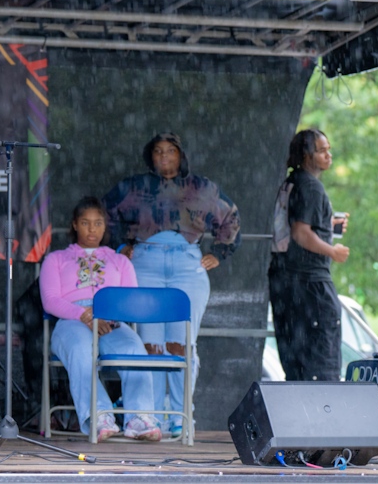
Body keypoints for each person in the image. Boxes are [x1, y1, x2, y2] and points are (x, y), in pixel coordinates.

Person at [102, 132, 240, 439]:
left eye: (170, 151)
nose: (164, 157)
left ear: (181, 155)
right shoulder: (134, 187)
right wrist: (120, 246)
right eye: (158, 152)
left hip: (187, 265)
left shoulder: (201, 187)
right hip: (146, 262)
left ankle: (180, 415)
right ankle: (149, 418)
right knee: (149, 345)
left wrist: (219, 253)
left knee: (182, 344)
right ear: (150, 157)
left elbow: (230, 217)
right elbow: (104, 213)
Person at [40, 196, 161, 441]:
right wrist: (85, 315)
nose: (92, 229)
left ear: (105, 226)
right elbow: (51, 300)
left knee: (134, 349)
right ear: (74, 225)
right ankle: (100, 415)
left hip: (112, 322)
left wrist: (106, 317)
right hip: (72, 320)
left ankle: (139, 417)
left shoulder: (120, 261)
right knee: (81, 349)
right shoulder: (56, 259)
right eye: (85, 223)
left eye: (97, 223)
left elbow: (131, 300)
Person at [268, 129, 351, 382]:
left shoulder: (291, 182)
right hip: (309, 283)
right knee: (320, 363)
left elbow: (294, 224)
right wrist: (332, 251)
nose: (329, 154)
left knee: (297, 362)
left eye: (329, 149)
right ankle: (321, 417)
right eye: (322, 150)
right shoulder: (311, 187)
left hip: (285, 281)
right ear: (306, 155)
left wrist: (328, 223)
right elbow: (301, 233)